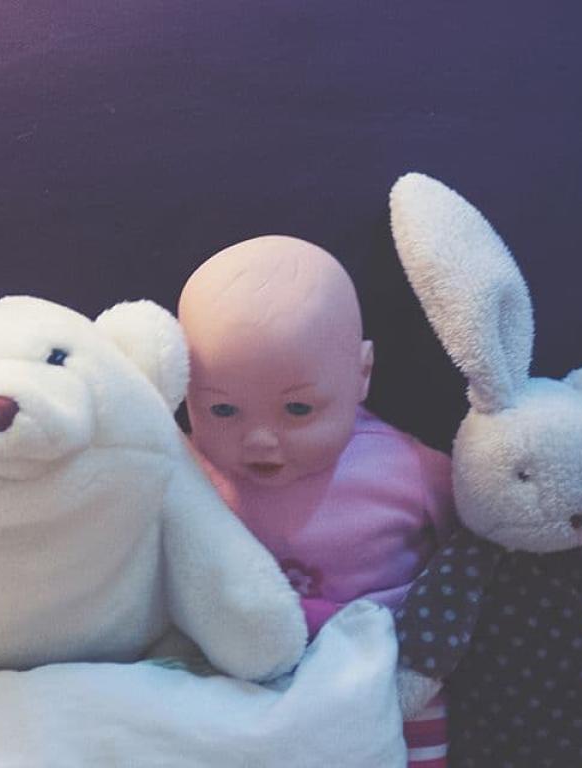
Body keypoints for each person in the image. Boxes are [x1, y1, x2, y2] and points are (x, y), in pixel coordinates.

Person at [178, 235, 455, 768]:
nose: (259, 440)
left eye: (298, 408)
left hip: (383, 665)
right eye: (223, 411)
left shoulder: (407, 468)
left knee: (425, 708)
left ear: (361, 374)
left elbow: (478, 545)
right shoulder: (189, 469)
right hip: (242, 667)